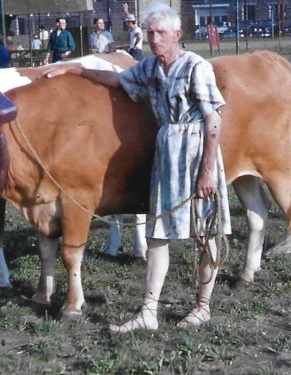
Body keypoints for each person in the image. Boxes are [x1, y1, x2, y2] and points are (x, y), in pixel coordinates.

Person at [43, 3, 230, 333]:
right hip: (166, 149)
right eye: (151, 33)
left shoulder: (195, 67)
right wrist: (74, 70)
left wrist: (207, 171)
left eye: (161, 33)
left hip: (196, 149)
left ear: (177, 35)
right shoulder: (151, 68)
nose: (155, 39)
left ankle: (203, 306)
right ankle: (148, 312)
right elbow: (115, 79)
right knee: (157, 233)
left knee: (204, 232)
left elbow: (214, 119)